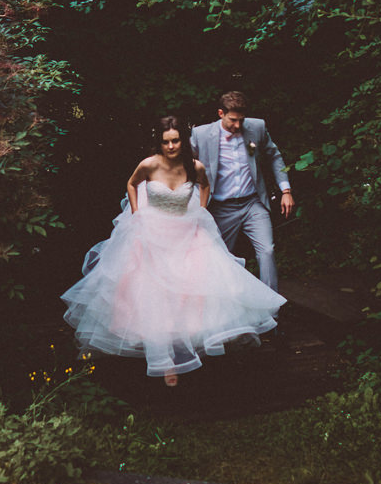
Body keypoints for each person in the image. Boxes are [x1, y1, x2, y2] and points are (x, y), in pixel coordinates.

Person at [61, 116, 286, 386]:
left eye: (175, 140)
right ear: (160, 143)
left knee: (194, 290)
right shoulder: (149, 164)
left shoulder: (194, 166)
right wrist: (136, 213)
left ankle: (190, 351)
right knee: (153, 293)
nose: (170, 147)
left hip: (185, 232)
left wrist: (200, 212)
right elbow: (131, 184)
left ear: (183, 140)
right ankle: (164, 361)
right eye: (166, 142)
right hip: (152, 233)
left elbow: (205, 186)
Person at [190, 91, 294, 293]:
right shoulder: (201, 135)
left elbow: (274, 155)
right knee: (219, 257)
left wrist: (286, 190)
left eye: (241, 120)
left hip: (252, 204)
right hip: (219, 207)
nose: (238, 126)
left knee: (267, 251)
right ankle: (220, 305)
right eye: (233, 120)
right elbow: (184, 165)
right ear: (221, 113)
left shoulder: (257, 127)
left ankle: (270, 307)